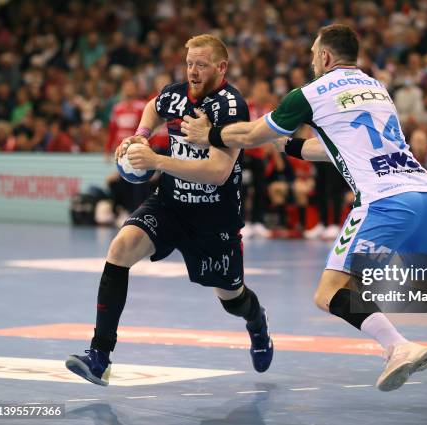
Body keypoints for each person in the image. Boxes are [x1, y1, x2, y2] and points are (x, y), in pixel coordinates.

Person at [181, 24, 427, 408]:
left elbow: (252, 133)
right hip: (424, 194)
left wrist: (210, 134)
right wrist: (287, 147)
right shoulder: (376, 87)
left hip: (383, 200)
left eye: (312, 53)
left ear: (325, 56)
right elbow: (336, 150)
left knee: (330, 292)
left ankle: (398, 347)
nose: (310, 60)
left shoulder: (310, 93)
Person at [65, 34, 273, 386]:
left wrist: (157, 159)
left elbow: (218, 172)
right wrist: (141, 135)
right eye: (189, 63)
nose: (193, 71)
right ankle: (99, 357)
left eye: (201, 64)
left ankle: (257, 323)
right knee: (120, 248)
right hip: (170, 203)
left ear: (221, 67)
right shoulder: (176, 93)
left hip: (213, 217)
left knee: (231, 298)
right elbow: (153, 105)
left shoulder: (231, 107)